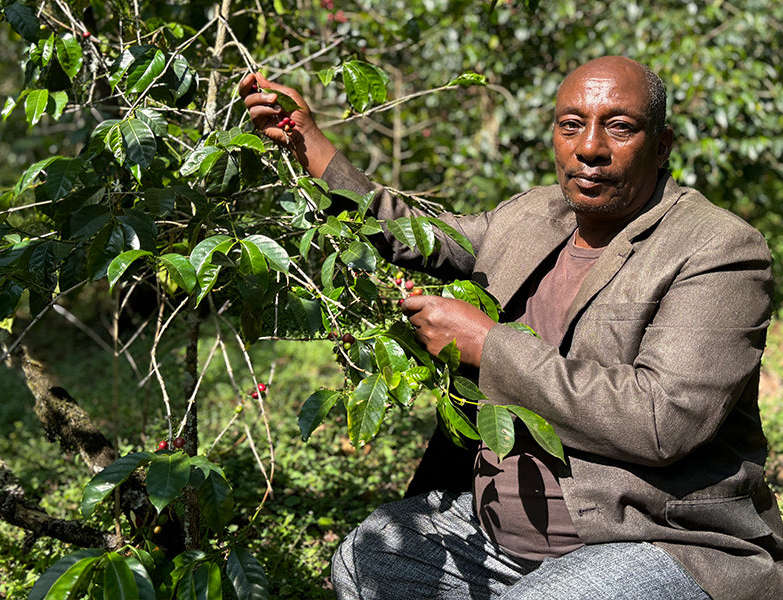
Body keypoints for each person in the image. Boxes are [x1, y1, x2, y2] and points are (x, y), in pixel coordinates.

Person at [240, 56, 783, 599]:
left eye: (619, 127)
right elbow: (418, 234)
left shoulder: (717, 249)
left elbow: (663, 422)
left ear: (661, 144)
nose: (589, 147)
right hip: (499, 534)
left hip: (653, 538)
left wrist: (487, 345)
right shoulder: (535, 215)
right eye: (571, 125)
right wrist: (309, 142)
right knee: (367, 560)